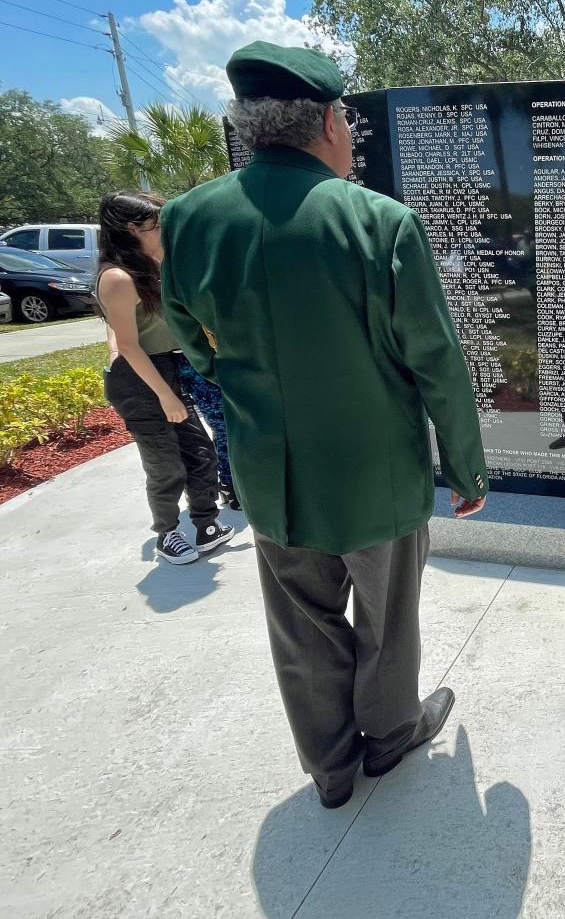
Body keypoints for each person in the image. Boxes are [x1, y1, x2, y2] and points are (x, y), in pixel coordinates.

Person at [158, 41, 489, 809]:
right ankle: (390, 736)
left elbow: (188, 338)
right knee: (388, 621)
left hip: (271, 479)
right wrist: (466, 470)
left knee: (300, 630)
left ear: (248, 127)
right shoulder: (380, 223)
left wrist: (240, 391)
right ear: (332, 123)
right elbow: (437, 360)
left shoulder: (190, 219)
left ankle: (330, 768)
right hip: (377, 478)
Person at [95, 191, 234, 566]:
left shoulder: (154, 263)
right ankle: (167, 534)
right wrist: (166, 397)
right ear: (131, 228)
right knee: (164, 463)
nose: (165, 231)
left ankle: (207, 525)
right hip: (139, 379)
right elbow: (128, 346)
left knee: (200, 452)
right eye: (157, 225)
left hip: (167, 369)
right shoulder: (118, 277)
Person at [177, 358, 240, 510]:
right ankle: (229, 484)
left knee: (225, 427)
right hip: (192, 363)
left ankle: (228, 483)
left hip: (208, 361)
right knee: (223, 427)